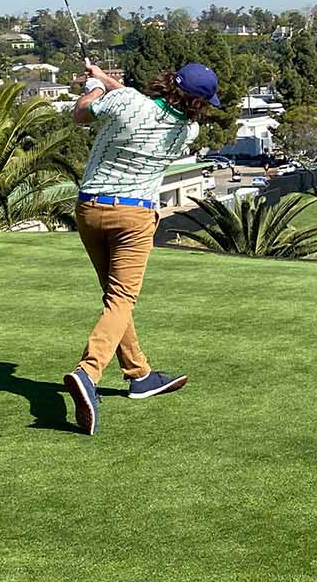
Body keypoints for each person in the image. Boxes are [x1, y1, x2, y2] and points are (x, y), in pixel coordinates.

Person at [61, 60, 220, 435]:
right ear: (197, 102)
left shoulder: (128, 102)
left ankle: (139, 374)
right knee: (121, 299)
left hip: (90, 210)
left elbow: (81, 113)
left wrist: (97, 86)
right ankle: (88, 372)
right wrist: (104, 79)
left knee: (115, 297)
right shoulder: (187, 131)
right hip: (134, 218)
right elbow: (133, 100)